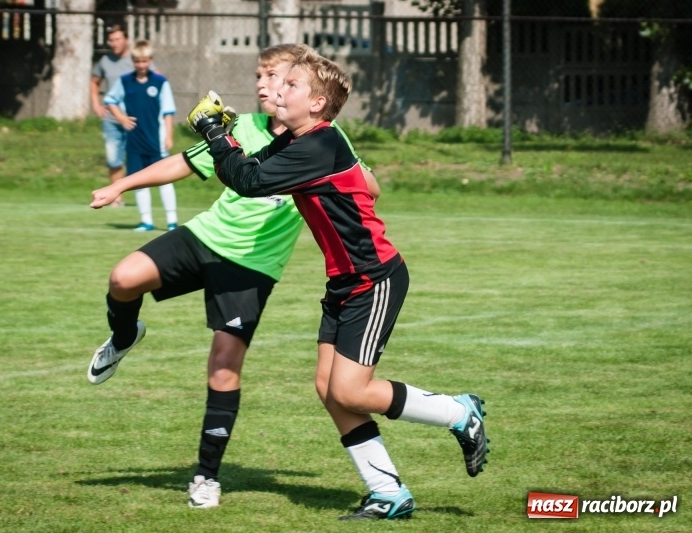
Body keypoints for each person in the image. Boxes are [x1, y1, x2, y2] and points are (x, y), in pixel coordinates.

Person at [187, 46, 490, 521]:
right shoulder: (296, 142)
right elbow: (247, 170)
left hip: (375, 279)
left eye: (291, 85)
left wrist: (212, 132)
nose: (278, 89)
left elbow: (246, 181)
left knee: (349, 390)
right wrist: (224, 136)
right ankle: (387, 492)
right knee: (330, 390)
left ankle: (458, 412)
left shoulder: (319, 144)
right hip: (345, 282)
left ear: (318, 104)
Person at [87, 44, 379, 509]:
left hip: (253, 265)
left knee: (223, 366)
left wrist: (345, 178)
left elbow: (370, 186)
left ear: (300, 87)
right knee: (123, 279)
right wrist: (120, 184)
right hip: (205, 237)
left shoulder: (322, 137)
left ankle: (206, 477)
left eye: (275, 76)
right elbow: (183, 164)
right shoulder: (240, 126)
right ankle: (123, 337)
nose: (264, 85)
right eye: (261, 77)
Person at [90, 26, 178, 229]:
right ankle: (146, 221)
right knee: (138, 180)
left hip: (155, 139)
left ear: (150, 60)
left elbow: (168, 111)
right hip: (135, 140)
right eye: (137, 61)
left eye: (144, 61)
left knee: (165, 180)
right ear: (133, 61)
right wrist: (121, 118)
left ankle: (172, 221)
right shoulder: (125, 81)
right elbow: (110, 99)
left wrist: (169, 135)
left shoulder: (160, 82)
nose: (141, 65)